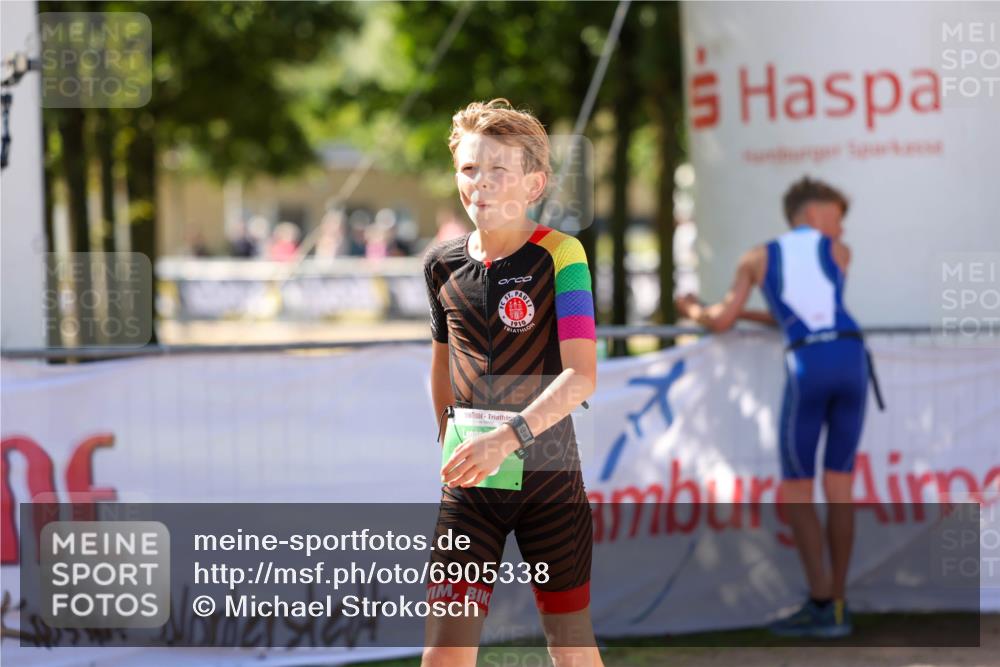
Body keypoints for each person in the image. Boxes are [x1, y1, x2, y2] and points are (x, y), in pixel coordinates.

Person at [422, 99, 603, 667]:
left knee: (569, 649)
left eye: (497, 169)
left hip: (549, 481)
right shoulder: (441, 264)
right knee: (444, 651)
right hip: (471, 487)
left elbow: (582, 375)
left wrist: (508, 438)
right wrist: (453, 446)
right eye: (469, 168)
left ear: (534, 184)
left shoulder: (561, 254)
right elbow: (440, 369)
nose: (479, 183)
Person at [675, 176, 878, 639]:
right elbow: (812, 308)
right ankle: (840, 606)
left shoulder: (757, 258)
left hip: (810, 362)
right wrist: (748, 313)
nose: (841, 232)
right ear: (810, 214)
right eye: (836, 218)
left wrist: (692, 310)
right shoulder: (840, 255)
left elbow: (722, 320)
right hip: (852, 356)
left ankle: (821, 602)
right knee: (840, 485)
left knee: (798, 490)